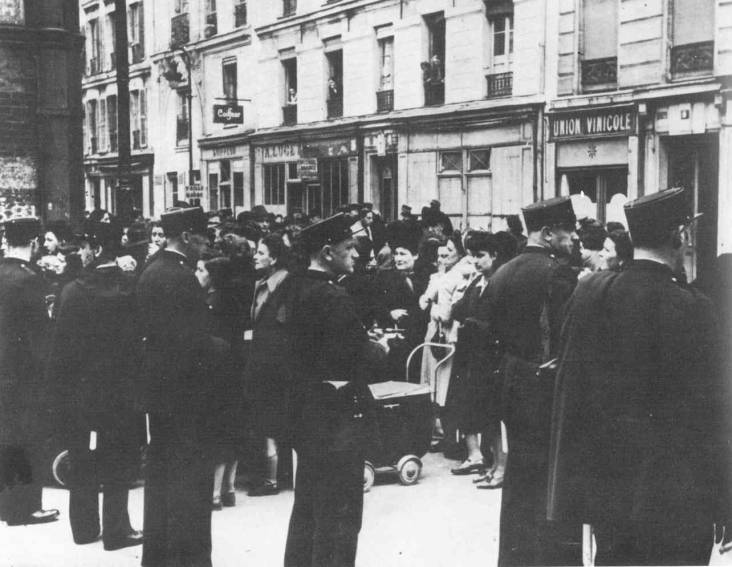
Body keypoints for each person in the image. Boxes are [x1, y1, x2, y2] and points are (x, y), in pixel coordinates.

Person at [548, 187, 731, 565]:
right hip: (675, 495)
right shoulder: (692, 308)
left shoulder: (589, 292)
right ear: (678, 237)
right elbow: (713, 415)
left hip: (607, 488)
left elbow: (569, 390)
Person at [488, 196, 580, 566]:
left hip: (512, 388)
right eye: (568, 231)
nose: (574, 238)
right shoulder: (558, 274)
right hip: (547, 391)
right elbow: (568, 338)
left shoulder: (502, 272)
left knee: (519, 481)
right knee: (552, 488)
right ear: (547, 233)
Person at [284, 213, 375, 567]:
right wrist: (379, 348)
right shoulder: (332, 297)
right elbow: (359, 357)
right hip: (339, 420)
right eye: (349, 247)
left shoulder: (292, 287)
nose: (355, 254)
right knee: (340, 516)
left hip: (306, 418)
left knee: (307, 509)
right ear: (326, 252)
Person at [50, 220, 144, 550]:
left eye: (85, 248)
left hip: (82, 393)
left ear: (95, 249)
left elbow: (59, 352)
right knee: (118, 459)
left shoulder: (73, 291)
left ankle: (85, 527)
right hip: (120, 392)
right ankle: (118, 530)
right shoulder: (131, 288)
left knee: (83, 456)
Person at [136, 207, 219, 567]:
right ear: (186, 236)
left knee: (162, 481)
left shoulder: (151, 271)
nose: (207, 243)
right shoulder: (181, 277)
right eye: (203, 236)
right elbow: (194, 343)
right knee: (191, 487)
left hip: (161, 395)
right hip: (188, 399)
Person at [0, 218, 59, 527]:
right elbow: (41, 336)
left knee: (6, 437)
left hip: (3, 373)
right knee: (27, 439)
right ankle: (26, 508)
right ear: (34, 244)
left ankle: (5, 505)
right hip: (26, 376)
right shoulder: (31, 279)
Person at [449, 231, 517, 486]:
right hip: (477, 356)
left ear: (494, 255)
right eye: (472, 256)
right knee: (487, 415)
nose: (476, 261)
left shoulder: (499, 282)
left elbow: (497, 321)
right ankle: (495, 466)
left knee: (497, 415)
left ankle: (502, 468)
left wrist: (471, 322)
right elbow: (458, 309)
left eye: (480, 256)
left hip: (494, 356)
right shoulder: (478, 282)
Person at [245, 234, 295, 497]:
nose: (255, 255)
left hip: (276, 364)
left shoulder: (286, 285)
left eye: (260, 252)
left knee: (272, 418)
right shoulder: (261, 284)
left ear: (274, 258)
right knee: (264, 418)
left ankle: (273, 477)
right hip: (261, 361)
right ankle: (272, 474)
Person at [194, 252, 245, 510]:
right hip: (234, 374)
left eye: (201, 270)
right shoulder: (234, 301)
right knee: (231, 432)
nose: (197, 274)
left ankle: (214, 493)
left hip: (215, 376)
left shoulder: (211, 304)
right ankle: (229, 488)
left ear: (213, 277)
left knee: (216, 434)